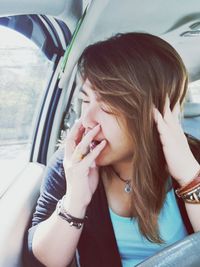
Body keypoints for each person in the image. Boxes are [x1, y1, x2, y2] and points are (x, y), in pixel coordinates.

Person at [25, 32, 200, 267]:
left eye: (107, 105)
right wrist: (75, 200)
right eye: (85, 101)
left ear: (153, 112)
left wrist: (190, 179)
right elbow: (47, 260)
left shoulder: (193, 158)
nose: (86, 120)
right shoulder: (72, 163)